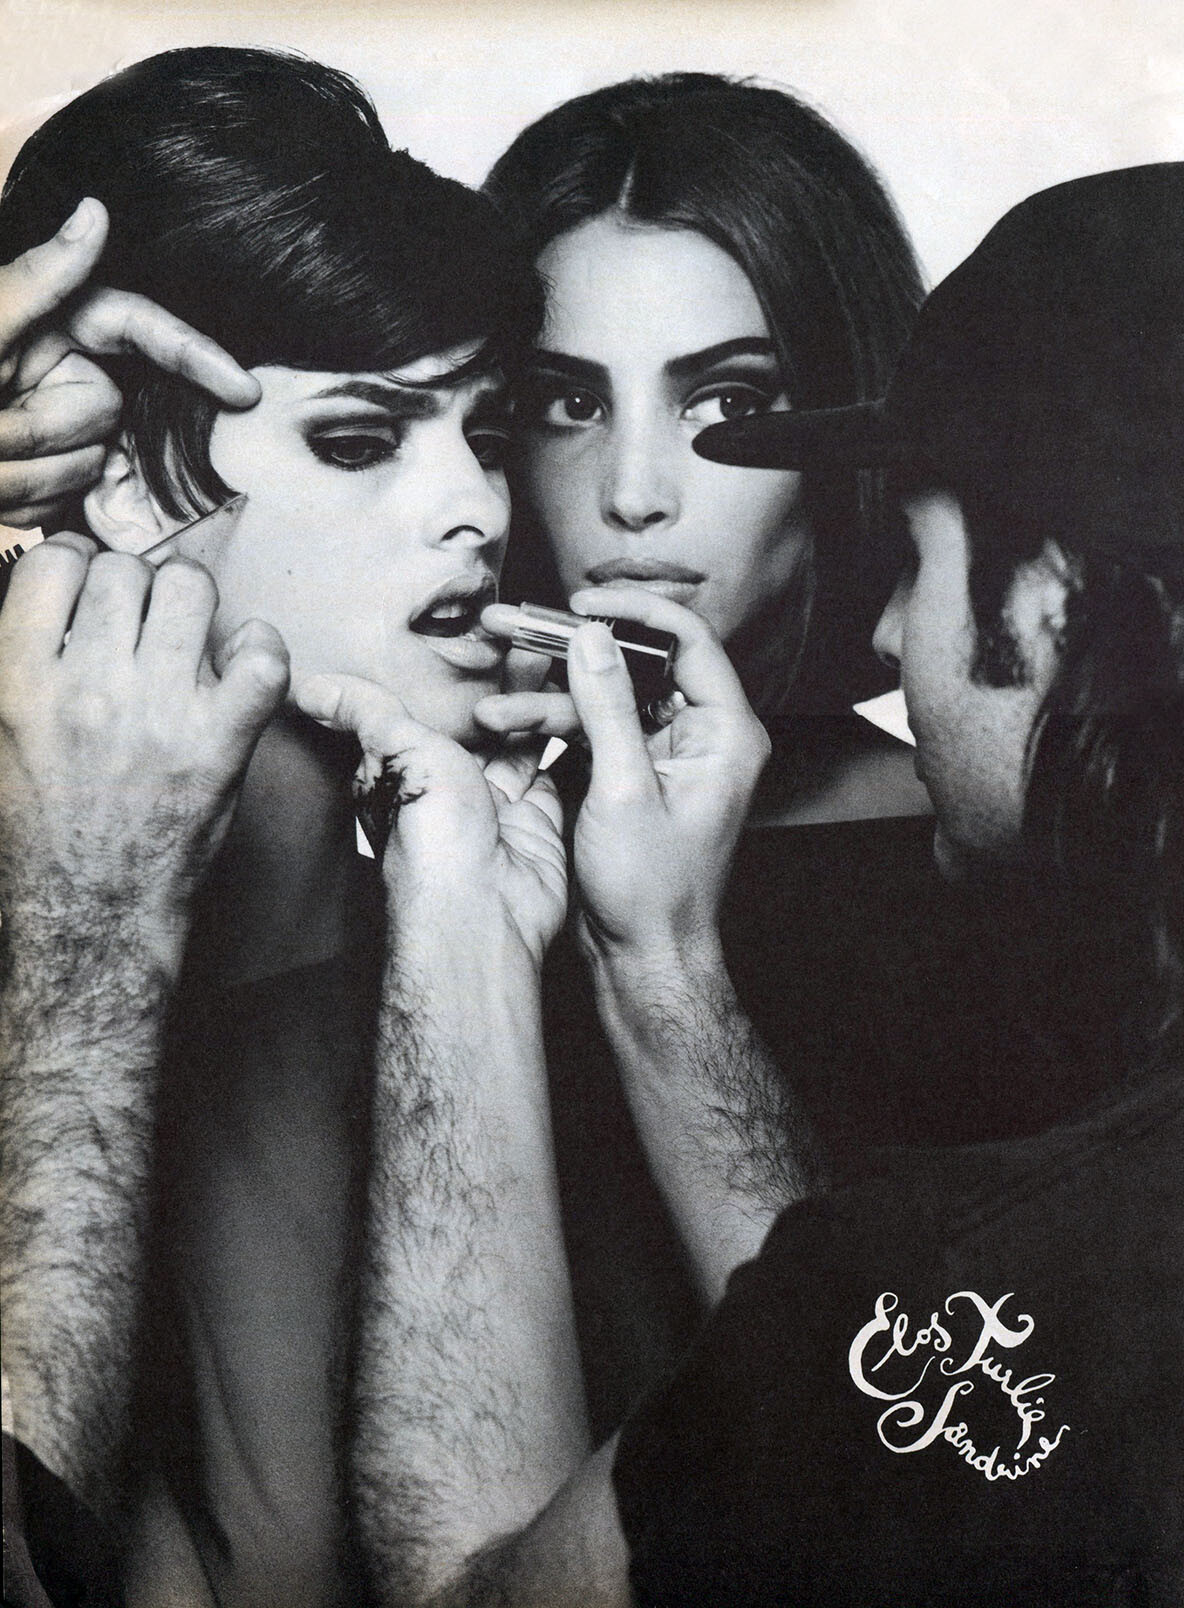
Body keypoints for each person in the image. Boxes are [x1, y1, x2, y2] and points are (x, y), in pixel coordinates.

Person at [325, 162, 1184, 1604]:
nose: (891, 626)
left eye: (922, 556)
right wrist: (659, 959)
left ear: (1054, 597)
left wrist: (463, 919)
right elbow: (887, 1422)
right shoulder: (1052, 1243)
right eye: (564, 401)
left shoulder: (1038, 1231)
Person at [473, 75, 1108, 1434]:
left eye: (726, 403)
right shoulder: (431, 863)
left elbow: (959, 1462)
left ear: (851, 430)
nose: (634, 496)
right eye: (568, 403)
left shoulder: (1019, 868)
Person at [0, 45, 543, 1607]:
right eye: (362, 440)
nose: (480, 511)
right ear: (119, 476)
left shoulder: (465, 919)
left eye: (488, 431)